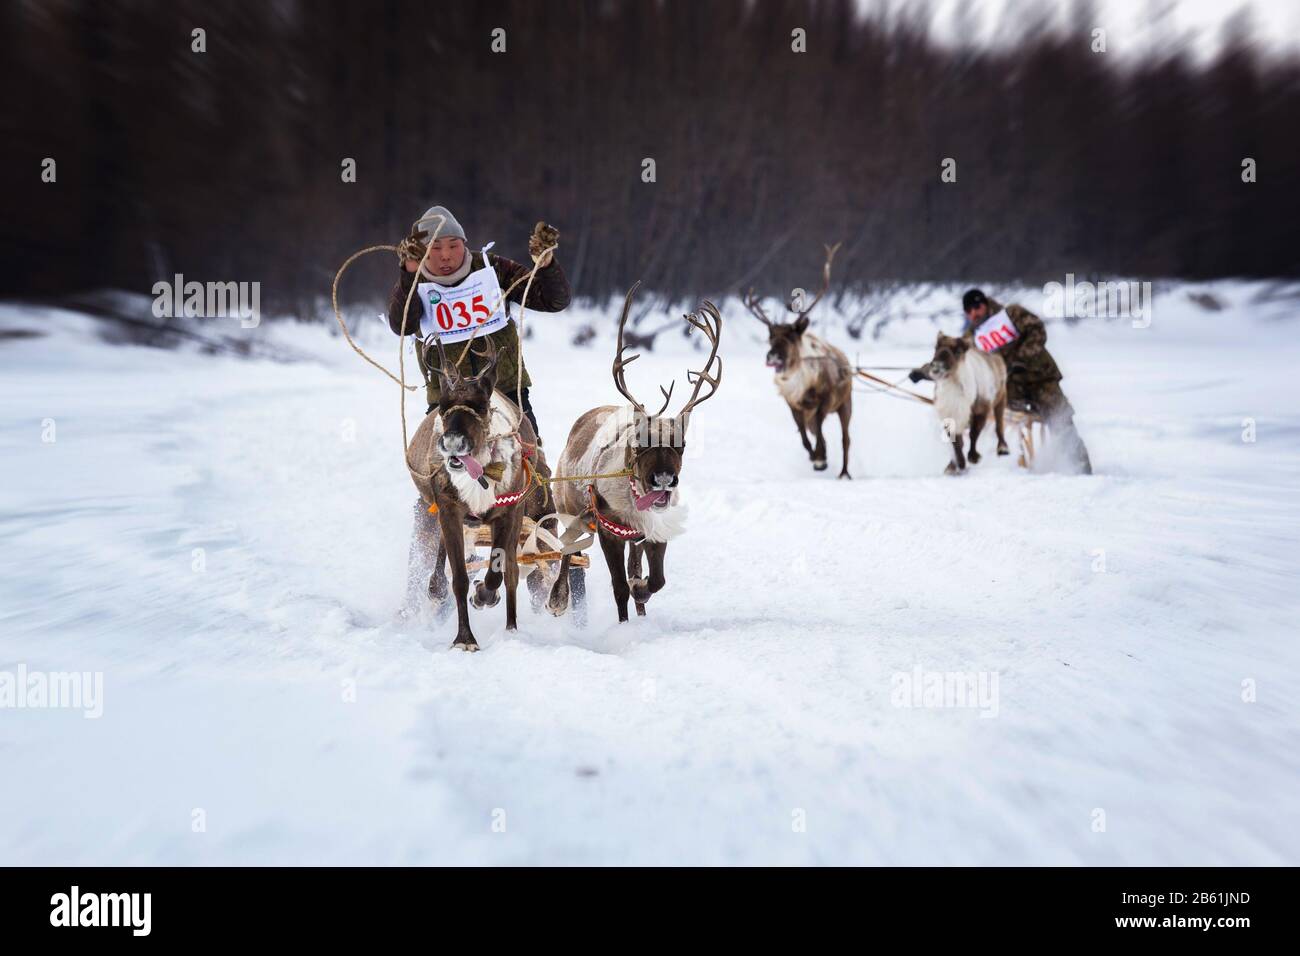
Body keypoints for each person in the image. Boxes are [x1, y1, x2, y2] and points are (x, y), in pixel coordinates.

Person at [388, 205, 571, 436]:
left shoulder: (490, 268)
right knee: (438, 464)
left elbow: (554, 301)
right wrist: (409, 274)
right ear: (422, 252)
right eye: (435, 248)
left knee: (531, 460)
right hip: (447, 398)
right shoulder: (415, 282)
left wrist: (545, 265)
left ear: (464, 243)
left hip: (505, 389)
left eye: (453, 245)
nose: (445, 254)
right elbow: (402, 326)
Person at [911, 288, 1092, 473]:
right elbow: (950, 359)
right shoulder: (971, 338)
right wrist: (924, 372)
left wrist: (1018, 359)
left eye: (977, 307)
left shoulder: (1011, 314)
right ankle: (960, 459)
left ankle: (1080, 467)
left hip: (1039, 378)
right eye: (969, 311)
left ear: (985, 304)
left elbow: (1037, 331)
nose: (974, 313)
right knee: (968, 411)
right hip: (1009, 388)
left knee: (1059, 418)